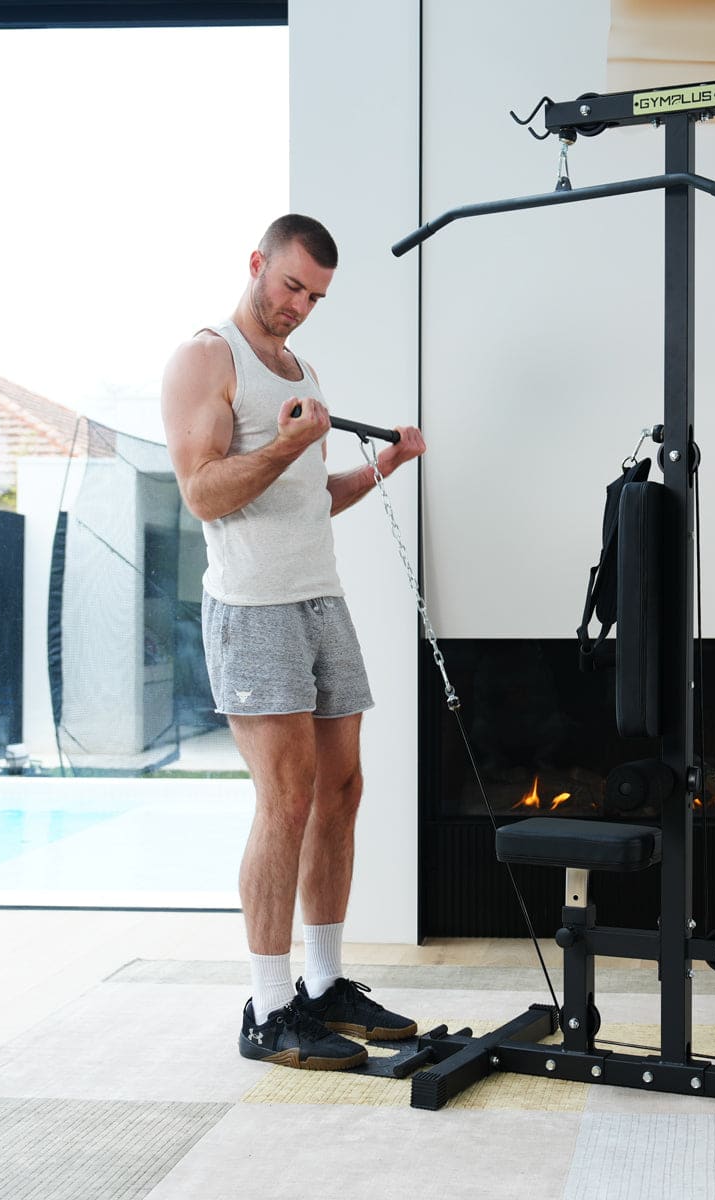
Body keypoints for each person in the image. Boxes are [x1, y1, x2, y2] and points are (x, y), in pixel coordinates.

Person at [161, 214, 426, 1070]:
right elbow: (204, 493)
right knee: (285, 800)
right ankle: (269, 1008)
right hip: (254, 609)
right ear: (257, 264)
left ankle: (323, 984)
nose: (299, 307)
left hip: (321, 601)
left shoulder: (302, 371)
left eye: (315, 297)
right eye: (291, 286)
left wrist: (384, 465)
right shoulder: (207, 359)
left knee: (341, 791)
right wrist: (285, 442)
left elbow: (309, 497)